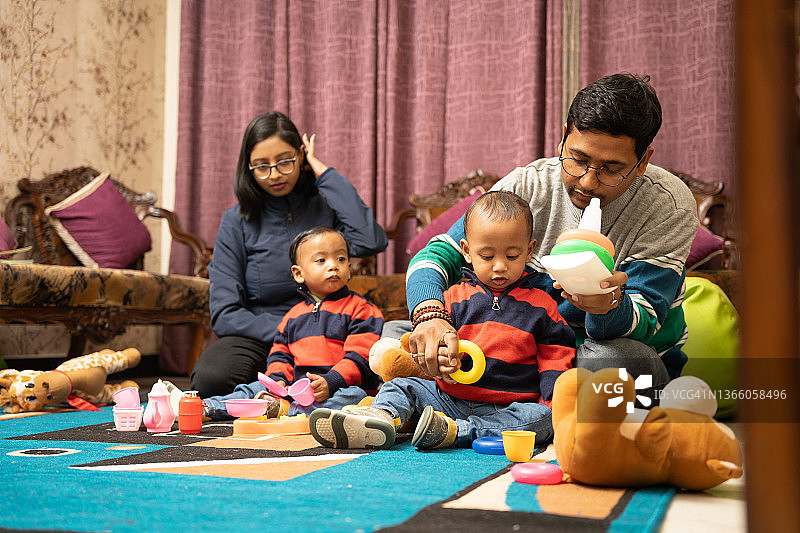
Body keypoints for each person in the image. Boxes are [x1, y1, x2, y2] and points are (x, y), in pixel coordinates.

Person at [401, 73, 699, 399]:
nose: (587, 182)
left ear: (643, 162)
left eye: (611, 169)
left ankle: (598, 415)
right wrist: (429, 317)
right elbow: (435, 256)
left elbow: (647, 322)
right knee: (400, 335)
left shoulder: (669, 206)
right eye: (578, 159)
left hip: (611, 353)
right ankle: (526, 414)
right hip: (526, 353)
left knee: (608, 361)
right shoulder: (527, 187)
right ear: (562, 139)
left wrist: (608, 307)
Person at [308, 191, 575, 450]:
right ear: (467, 252)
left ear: (529, 251)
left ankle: (456, 431)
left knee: (542, 418)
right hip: (449, 398)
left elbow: (556, 354)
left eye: (512, 256)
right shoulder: (452, 298)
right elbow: (432, 347)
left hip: (506, 406)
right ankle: (379, 418)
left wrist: (552, 398)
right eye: (487, 256)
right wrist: (442, 360)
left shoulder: (542, 305)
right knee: (401, 386)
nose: (499, 266)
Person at [191, 111, 387, 397]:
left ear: (301, 156)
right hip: (264, 334)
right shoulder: (236, 222)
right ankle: (277, 387)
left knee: (368, 364)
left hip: (332, 330)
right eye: (261, 166)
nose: (274, 175)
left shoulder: (325, 209)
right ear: (248, 168)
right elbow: (225, 313)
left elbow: (370, 240)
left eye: (285, 162)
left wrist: (323, 173)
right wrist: (294, 332)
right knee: (210, 379)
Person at [201, 226, 383, 420]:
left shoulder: (362, 309)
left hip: (337, 387)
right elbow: (280, 354)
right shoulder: (292, 316)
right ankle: (207, 407)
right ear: (298, 274)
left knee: (355, 397)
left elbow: (361, 357)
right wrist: (277, 380)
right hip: (296, 387)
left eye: (341, 259)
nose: (333, 265)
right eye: (321, 260)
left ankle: (286, 410)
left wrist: (331, 381)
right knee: (253, 387)